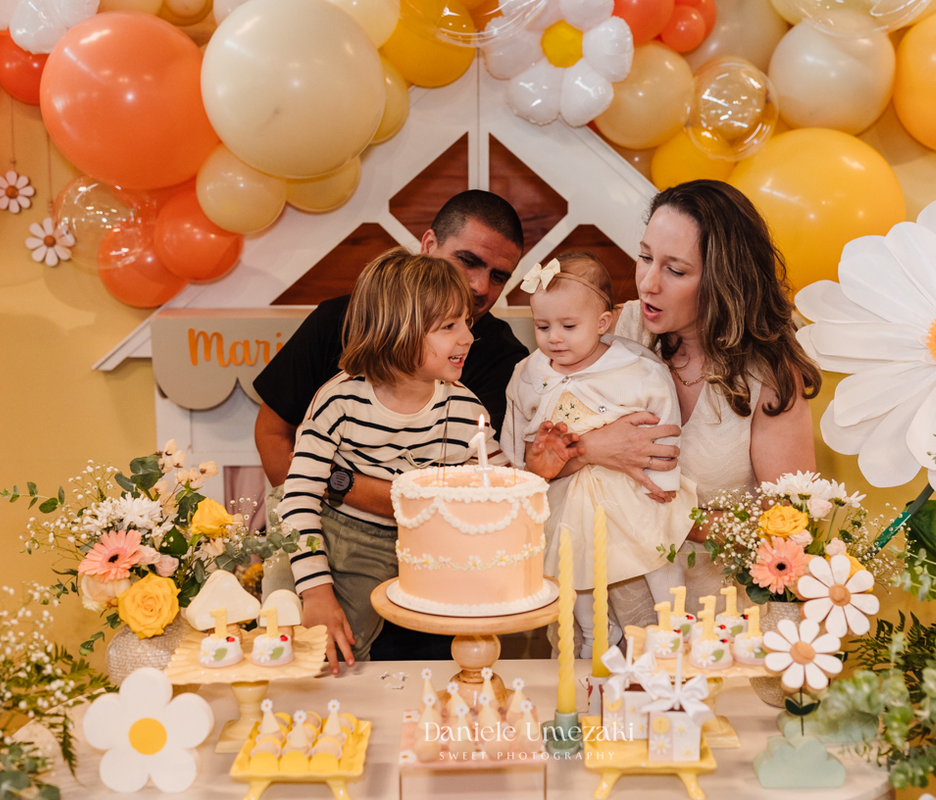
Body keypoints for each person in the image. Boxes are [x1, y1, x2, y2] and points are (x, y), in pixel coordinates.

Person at [527, 180, 822, 628]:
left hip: (713, 628)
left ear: (725, 280)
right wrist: (591, 449)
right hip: (599, 621)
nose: (648, 283)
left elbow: (789, 525)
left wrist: (673, 518)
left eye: (676, 271)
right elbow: (529, 469)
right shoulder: (602, 331)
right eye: (645, 257)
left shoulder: (768, 378)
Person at [253, 190, 528, 662]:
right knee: (317, 653)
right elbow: (296, 488)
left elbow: (497, 485)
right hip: (330, 537)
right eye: (450, 325)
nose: (481, 289)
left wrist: (538, 472)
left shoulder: (469, 400)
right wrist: (315, 588)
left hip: (426, 553)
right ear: (399, 327)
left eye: (499, 275)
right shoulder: (339, 395)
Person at [501, 252, 697, 657]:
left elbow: (664, 424)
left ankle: (676, 628)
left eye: (569, 326)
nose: (555, 338)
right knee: (576, 567)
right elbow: (516, 435)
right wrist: (521, 476)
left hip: (630, 490)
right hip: (568, 493)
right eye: (542, 326)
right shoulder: (528, 374)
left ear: (602, 322)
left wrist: (663, 481)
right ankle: (595, 637)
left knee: (656, 554)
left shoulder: (636, 369)